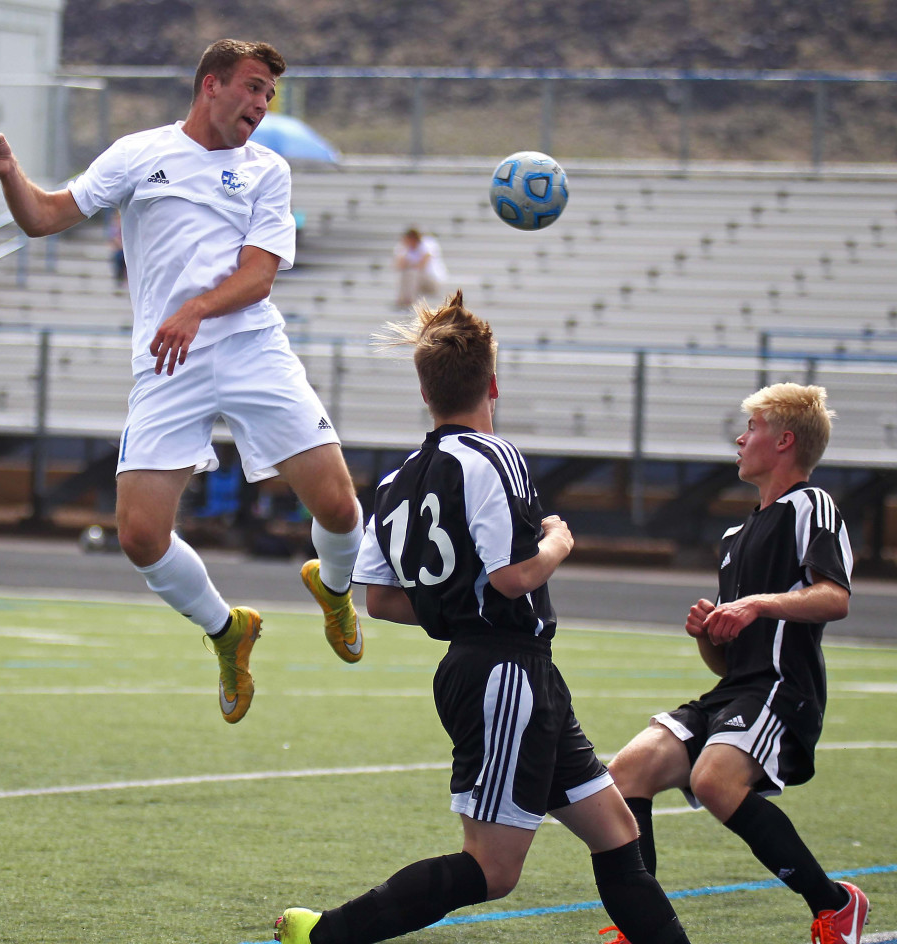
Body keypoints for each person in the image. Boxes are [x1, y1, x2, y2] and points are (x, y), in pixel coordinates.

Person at [274, 291, 692, 944]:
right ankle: (326, 934)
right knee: (493, 870)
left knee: (617, 832)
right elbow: (512, 575)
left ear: (424, 389)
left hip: (509, 670)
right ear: (493, 383)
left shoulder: (395, 481)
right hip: (504, 673)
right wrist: (557, 541)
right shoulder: (497, 457)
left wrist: (457, 603)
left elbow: (380, 599)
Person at [0, 39, 365, 725]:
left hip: (250, 349)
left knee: (336, 508)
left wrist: (194, 309)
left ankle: (333, 589)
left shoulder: (267, 170)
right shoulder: (137, 154)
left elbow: (259, 275)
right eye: (251, 88)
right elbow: (43, 218)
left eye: (269, 95)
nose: (260, 105)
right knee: (140, 536)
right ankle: (227, 630)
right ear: (210, 84)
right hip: (167, 362)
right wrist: (10, 172)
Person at [607, 383, 869, 944]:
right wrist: (709, 632)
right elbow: (726, 665)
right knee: (627, 773)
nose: (740, 437)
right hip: (738, 690)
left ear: (784, 442)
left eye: (752, 428)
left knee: (714, 780)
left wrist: (755, 603)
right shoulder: (735, 536)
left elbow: (835, 596)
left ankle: (835, 905)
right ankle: (644, 927)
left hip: (782, 688)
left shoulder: (811, 504)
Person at [393, 227, 447, 307]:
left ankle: (409, 301)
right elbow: (398, 266)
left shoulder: (427, 244)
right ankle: (403, 300)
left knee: (412, 273)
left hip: (432, 281)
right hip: (416, 283)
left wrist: (409, 264)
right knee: (406, 274)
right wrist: (405, 250)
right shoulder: (405, 247)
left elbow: (422, 265)